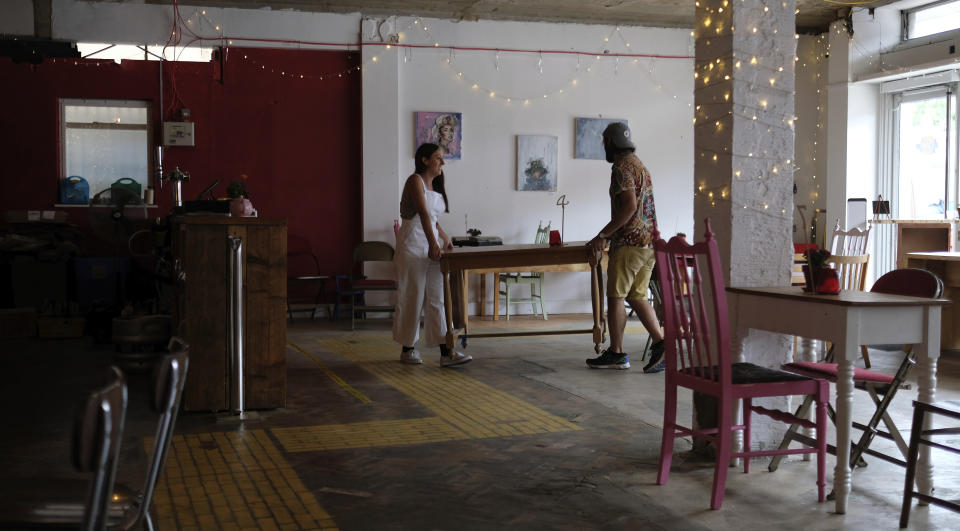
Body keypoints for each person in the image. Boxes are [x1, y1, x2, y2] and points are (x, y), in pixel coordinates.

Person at [585, 122, 665, 373]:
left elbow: (629, 206)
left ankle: (617, 353)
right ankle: (662, 344)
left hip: (629, 243)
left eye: (604, 142)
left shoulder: (621, 167)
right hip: (648, 243)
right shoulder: (639, 165)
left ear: (610, 142)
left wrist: (604, 235)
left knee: (616, 296)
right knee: (637, 295)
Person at [393, 143, 472, 367]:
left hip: (430, 243)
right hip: (412, 244)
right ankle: (407, 349)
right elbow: (424, 215)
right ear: (425, 160)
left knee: (438, 297)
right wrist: (432, 243)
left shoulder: (435, 185)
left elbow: (434, 221)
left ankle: (446, 352)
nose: (443, 162)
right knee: (412, 295)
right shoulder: (414, 181)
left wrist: (445, 239)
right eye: (438, 158)